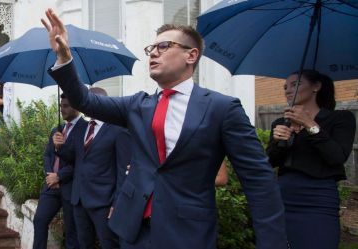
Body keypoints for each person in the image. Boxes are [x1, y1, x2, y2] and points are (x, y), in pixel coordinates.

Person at [42, 8, 287, 249]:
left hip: (186, 233)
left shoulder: (222, 109)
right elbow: (85, 101)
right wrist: (64, 58)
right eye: (151, 48)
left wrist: (272, 242)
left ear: (191, 55)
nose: (153, 54)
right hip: (133, 230)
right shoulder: (137, 105)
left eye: (164, 46)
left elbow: (258, 180)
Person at [266, 70, 356, 249]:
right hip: (283, 197)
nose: (288, 91)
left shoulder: (339, 119)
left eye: (295, 84)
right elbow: (270, 162)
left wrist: (310, 124)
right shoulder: (280, 123)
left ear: (316, 86)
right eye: (285, 87)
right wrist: (277, 142)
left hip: (318, 200)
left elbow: (337, 157)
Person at [53, 87, 131, 249]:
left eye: (90, 102)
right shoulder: (82, 127)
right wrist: (60, 147)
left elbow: (124, 171)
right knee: (83, 243)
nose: (86, 106)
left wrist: (117, 203)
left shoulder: (118, 130)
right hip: (79, 199)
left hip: (103, 202)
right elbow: (76, 159)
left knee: (108, 244)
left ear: (103, 104)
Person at [33, 93, 84, 249]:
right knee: (40, 220)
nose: (62, 109)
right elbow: (47, 155)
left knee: (71, 231)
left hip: (70, 187)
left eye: (66, 105)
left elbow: (80, 161)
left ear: (77, 106)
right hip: (51, 187)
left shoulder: (85, 129)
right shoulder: (57, 129)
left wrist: (59, 177)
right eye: (61, 105)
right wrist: (50, 175)